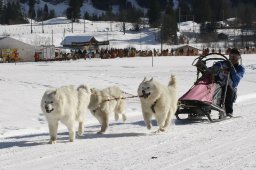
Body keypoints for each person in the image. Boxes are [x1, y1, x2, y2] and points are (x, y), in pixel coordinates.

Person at [211, 48, 245, 117]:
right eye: (232, 56)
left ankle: (229, 111)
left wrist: (232, 69)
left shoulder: (240, 68)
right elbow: (218, 64)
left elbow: (236, 80)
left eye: (236, 56)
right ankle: (200, 104)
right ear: (229, 56)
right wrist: (215, 67)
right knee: (207, 83)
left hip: (230, 87)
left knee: (229, 87)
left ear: (239, 57)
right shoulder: (224, 63)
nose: (233, 58)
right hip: (219, 83)